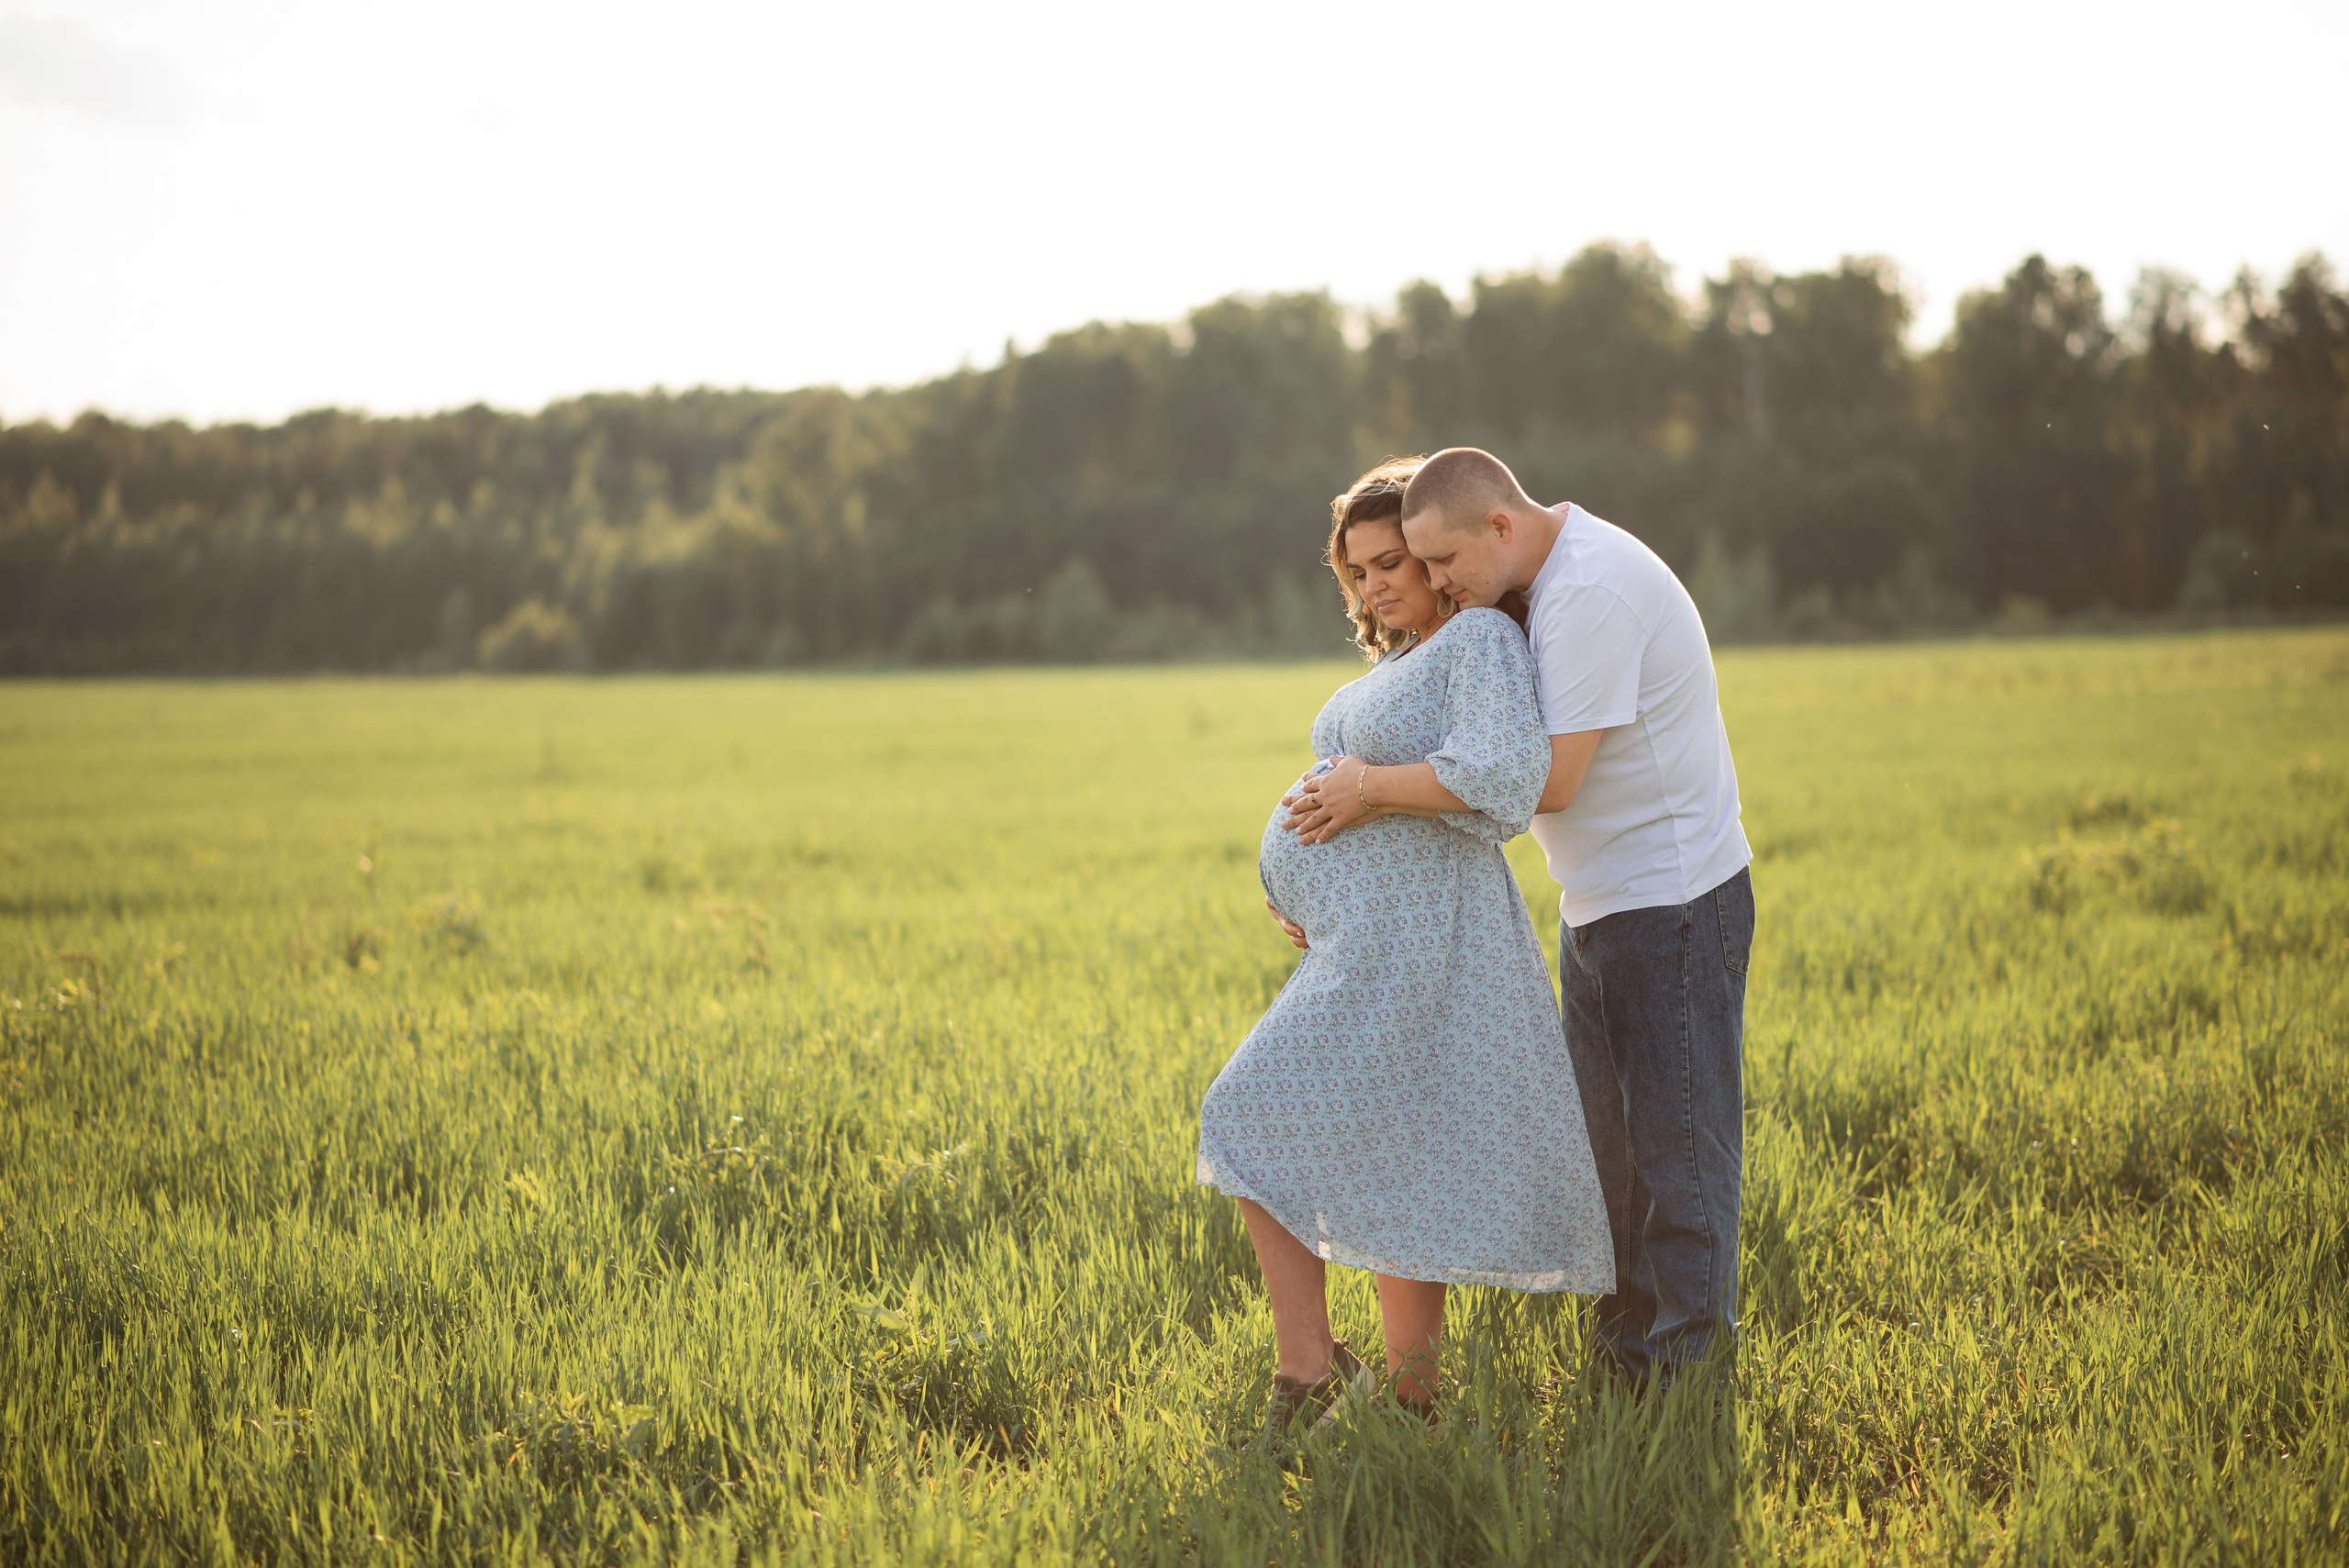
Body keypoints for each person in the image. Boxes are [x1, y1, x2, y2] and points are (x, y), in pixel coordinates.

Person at [1198, 460, 1612, 1441]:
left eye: (1394, 561)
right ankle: (1366, 1382)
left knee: (1248, 1109)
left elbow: (1504, 777)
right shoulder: (1397, 665)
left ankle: (1364, 1382)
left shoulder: (1475, 640)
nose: (1377, 583)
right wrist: (1298, 878)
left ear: (1436, 559)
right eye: (1359, 570)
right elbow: (1348, 790)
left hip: (1422, 939)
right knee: (1379, 1139)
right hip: (1360, 942)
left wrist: (1365, 789)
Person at [1397, 447, 1754, 1393]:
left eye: (1443, 564)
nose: (1437, 584)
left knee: (1678, 1157)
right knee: (1613, 1165)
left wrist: (1380, 793)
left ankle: (1686, 1383)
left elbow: (1544, 780)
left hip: (1669, 903)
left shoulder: (1588, 591)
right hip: (1600, 904)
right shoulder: (1536, 588)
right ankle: (1624, 1360)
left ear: (1500, 527)